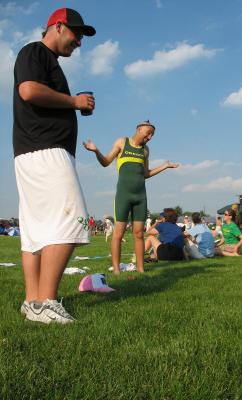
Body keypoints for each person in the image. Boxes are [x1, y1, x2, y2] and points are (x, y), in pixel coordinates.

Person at [13, 8, 96, 324]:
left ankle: (32, 301)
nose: (78, 42)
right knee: (77, 221)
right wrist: (74, 102)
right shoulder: (36, 51)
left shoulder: (45, 60)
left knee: (37, 232)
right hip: (46, 150)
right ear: (58, 26)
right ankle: (46, 302)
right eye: (76, 34)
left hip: (31, 152)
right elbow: (29, 90)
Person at [83, 121, 179, 273]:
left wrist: (164, 166)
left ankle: (141, 269)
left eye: (152, 135)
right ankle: (116, 270)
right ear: (139, 129)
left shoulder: (145, 150)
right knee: (118, 233)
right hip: (123, 195)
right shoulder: (122, 142)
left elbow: (145, 174)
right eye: (148, 132)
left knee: (139, 233)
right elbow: (106, 162)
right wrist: (96, 151)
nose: (150, 137)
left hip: (141, 196)